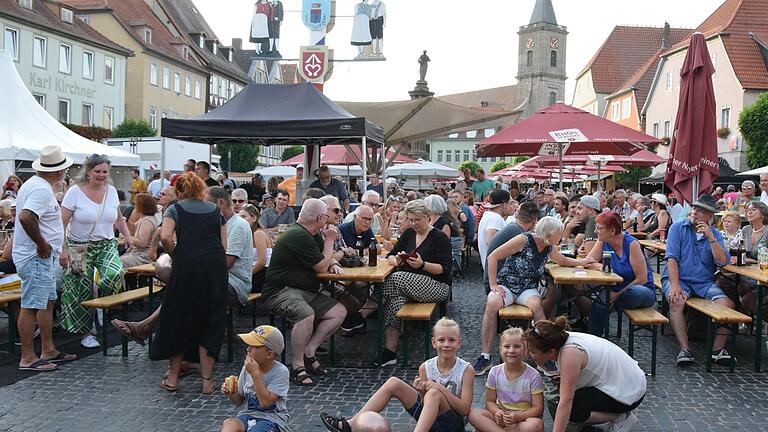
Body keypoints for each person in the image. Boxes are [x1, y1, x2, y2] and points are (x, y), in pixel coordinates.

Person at [320, 318, 474, 432]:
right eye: (441, 340)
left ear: (459, 343)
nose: (446, 344)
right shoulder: (426, 367)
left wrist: (441, 390)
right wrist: (420, 390)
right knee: (394, 382)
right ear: (434, 343)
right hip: (430, 421)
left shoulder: (466, 370)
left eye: (451, 340)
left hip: (453, 424)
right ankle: (350, 424)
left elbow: (464, 410)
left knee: (434, 393)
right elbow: (424, 403)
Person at [483, 217, 596, 371]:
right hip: (507, 285)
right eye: (559, 233)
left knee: (537, 306)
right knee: (492, 303)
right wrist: (493, 284)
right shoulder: (523, 240)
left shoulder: (549, 246)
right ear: (549, 234)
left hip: (527, 287)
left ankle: (543, 356)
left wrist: (581, 262)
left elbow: (561, 260)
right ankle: (485, 355)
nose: (562, 235)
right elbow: (493, 257)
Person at [151, 173, 228, 394]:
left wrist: (179, 253)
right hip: (214, 269)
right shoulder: (215, 210)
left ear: (178, 191)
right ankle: (207, 382)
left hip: (186, 269)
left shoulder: (174, 209)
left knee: (179, 319)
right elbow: (223, 246)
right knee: (210, 321)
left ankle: (173, 379)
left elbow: (165, 237)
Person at [262, 198, 346, 386]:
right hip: (279, 291)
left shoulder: (311, 233)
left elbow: (323, 259)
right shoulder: (298, 235)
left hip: (304, 291)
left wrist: (332, 261)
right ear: (318, 218)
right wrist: (330, 240)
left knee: (338, 311)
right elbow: (321, 267)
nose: (328, 220)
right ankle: (297, 365)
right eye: (325, 216)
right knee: (306, 315)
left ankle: (309, 351)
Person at [14, 146, 77, 371]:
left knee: (45, 302)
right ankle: (28, 357)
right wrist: (41, 243)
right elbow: (26, 217)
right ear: (60, 172)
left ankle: (48, 349)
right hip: (36, 256)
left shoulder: (35, 185)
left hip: (39, 256)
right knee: (32, 305)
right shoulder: (41, 190)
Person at [60, 154, 132, 349]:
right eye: (97, 171)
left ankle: (103, 308)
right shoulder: (74, 192)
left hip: (106, 243)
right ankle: (86, 332)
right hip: (78, 245)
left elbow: (118, 218)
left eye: (104, 172)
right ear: (88, 171)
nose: (101, 175)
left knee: (113, 275)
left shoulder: (111, 191)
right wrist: (63, 249)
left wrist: (128, 236)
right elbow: (62, 222)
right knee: (79, 289)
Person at [524, 318, 646, 432]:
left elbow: (566, 401)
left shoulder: (570, 353)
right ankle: (597, 419)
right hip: (627, 382)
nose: (528, 355)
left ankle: (620, 418)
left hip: (631, 392)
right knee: (561, 400)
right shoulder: (557, 338)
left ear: (551, 351)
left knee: (570, 407)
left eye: (533, 352)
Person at [663, 194, 735, 366]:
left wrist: (710, 237)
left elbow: (722, 261)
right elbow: (671, 258)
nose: (695, 213)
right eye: (695, 209)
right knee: (676, 301)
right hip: (680, 279)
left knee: (728, 305)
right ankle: (685, 349)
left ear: (710, 217)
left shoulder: (715, 234)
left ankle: (717, 350)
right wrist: (674, 285)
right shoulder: (678, 228)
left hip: (703, 282)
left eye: (702, 211)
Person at [379, 200, 452, 366]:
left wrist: (422, 265)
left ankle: (371, 304)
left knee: (396, 279)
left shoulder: (439, 237)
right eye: (410, 220)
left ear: (428, 217)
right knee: (394, 304)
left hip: (436, 286)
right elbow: (390, 255)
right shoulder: (409, 234)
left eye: (417, 220)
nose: (413, 223)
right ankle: (389, 352)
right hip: (407, 286)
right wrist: (396, 261)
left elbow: (444, 269)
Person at [473, 202, 537, 374]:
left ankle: (538, 351)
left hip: (501, 281)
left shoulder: (513, 229)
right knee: (546, 299)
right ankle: (486, 355)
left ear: (518, 214)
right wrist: (493, 285)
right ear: (534, 221)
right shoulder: (519, 234)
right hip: (500, 283)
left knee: (538, 301)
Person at [584, 212, 656, 336]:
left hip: (640, 290)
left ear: (612, 230)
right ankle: (594, 340)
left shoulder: (631, 244)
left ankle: (605, 308)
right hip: (613, 288)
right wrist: (602, 266)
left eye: (599, 228)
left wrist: (617, 294)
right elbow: (588, 262)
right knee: (600, 304)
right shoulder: (602, 240)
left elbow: (642, 279)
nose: (595, 231)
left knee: (631, 293)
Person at [469, 328, 545, 432]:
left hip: (523, 419)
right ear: (500, 349)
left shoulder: (533, 375)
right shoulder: (494, 372)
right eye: (506, 346)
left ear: (526, 350)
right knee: (474, 414)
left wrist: (518, 416)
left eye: (517, 346)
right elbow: (490, 402)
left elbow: (538, 408)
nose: (511, 350)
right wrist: (497, 413)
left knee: (536, 424)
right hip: (501, 418)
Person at [220, 325, 291, 432]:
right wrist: (231, 391)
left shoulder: (280, 372)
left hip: (272, 419)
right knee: (229, 425)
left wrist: (254, 374)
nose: (248, 349)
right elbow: (238, 402)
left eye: (253, 346)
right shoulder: (247, 368)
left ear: (269, 354)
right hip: (247, 415)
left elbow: (265, 403)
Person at [209, 186, 254, 307]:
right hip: (221, 280)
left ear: (221, 203)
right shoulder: (218, 223)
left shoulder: (239, 225)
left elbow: (226, 263)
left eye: (208, 205)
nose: (205, 209)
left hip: (235, 286)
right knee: (182, 282)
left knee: (187, 286)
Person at [239, 204, 272, 294]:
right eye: (239, 217)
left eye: (243, 217)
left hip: (261, 275)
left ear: (254, 218)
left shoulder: (258, 234)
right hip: (253, 273)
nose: (240, 220)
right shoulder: (247, 234)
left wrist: (247, 276)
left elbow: (262, 261)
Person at [120, 193, 159, 268]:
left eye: (136, 204)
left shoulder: (146, 221)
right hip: (137, 254)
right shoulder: (144, 219)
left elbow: (142, 243)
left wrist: (127, 236)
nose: (134, 206)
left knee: (115, 264)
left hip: (141, 257)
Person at [478, 190, 512, 270]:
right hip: (496, 269)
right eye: (510, 203)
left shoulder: (488, 215)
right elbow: (490, 242)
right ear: (503, 204)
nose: (510, 206)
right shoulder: (495, 218)